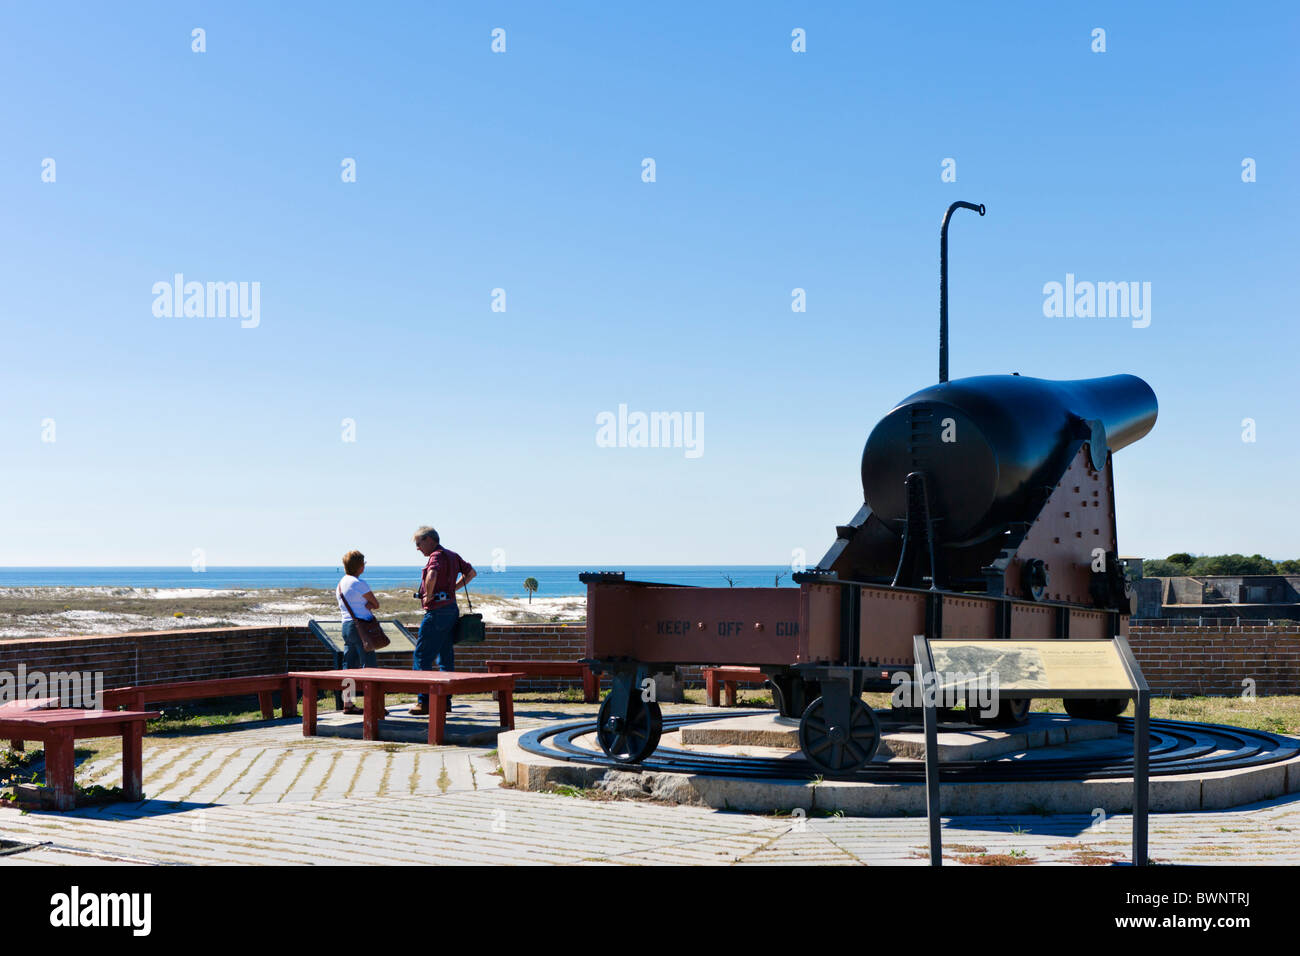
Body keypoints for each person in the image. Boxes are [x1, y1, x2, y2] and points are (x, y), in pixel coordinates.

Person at [411, 526, 476, 716]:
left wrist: (429, 596)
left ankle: (424, 702)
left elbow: (432, 575)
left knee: (421, 655)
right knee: (445, 657)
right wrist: (453, 589)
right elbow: (471, 573)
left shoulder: (436, 556)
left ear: (430, 540)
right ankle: (444, 702)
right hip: (451, 610)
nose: (417, 548)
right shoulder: (453, 555)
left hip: (436, 611)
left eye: (419, 543)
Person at [337, 550, 380, 716]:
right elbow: (375, 603)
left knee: (349, 666)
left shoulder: (341, 583)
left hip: (346, 626)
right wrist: (368, 606)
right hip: (362, 627)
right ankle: (373, 704)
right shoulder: (359, 583)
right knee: (369, 665)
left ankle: (348, 702)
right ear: (360, 566)